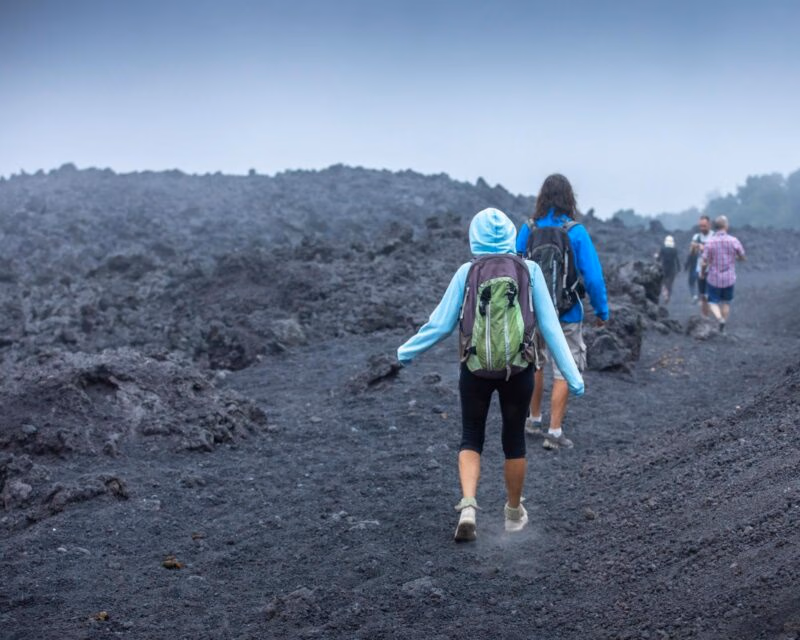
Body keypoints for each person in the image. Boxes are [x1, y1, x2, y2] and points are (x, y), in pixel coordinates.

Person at [397, 208, 584, 542]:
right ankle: (513, 513)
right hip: (520, 369)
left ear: (475, 238)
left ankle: (468, 506)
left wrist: (406, 351)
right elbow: (551, 327)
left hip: (475, 369)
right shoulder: (530, 270)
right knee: (513, 440)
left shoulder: (467, 272)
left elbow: (440, 325)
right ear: (510, 236)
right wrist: (572, 375)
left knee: (472, 436)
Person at [516, 174, 608, 450]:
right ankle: (554, 432)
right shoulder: (575, 231)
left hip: (532, 313)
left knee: (536, 364)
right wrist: (602, 310)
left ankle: (533, 420)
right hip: (567, 314)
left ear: (542, 197)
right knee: (563, 370)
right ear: (570, 198)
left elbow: (514, 268)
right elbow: (592, 276)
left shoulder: (527, 229)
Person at [701, 215, 745, 332]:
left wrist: (701, 273)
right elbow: (742, 256)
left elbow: (704, 261)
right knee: (726, 302)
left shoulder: (710, 242)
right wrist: (737, 257)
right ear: (726, 226)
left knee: (712, 302)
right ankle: (723, 327)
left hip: (714, 278)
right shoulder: (733, 240)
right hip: (729, 277)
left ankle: (719, 318)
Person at [691, 215, 714, 316]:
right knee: (703, 295)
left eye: (704, 226)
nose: (702, 228)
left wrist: (704, 247)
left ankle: (712, 315)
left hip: (713, 269)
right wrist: (694, 246)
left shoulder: (715, 236)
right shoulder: (696, 237)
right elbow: (692, 253)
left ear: (709, 224)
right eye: (700, 226)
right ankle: (705, 317)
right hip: (700, 269)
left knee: (711, 295)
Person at [656, 235, 681, 304]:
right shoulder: (674, 250)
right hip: (672, 269)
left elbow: (659, 258)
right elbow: (677, 259)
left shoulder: (663, 248)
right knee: (670, 284)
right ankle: (668, 296)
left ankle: (665, 294)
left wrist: (656, 258)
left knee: (663, 282)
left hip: (664, 268)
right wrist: (679, 268)